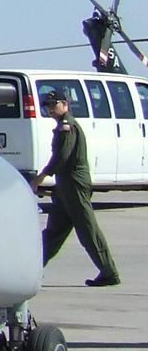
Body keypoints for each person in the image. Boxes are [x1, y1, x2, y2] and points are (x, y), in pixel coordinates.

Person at [38, 89, 122, 286]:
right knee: (53, 232)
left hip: (74, 184)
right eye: (47, 105)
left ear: (65, 104)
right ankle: (29, 269)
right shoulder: (62, 126)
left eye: (54, 104)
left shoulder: (67, 127)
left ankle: (109, 272)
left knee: (87, 230)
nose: (50, 108)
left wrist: (41, 176)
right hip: (65, 186)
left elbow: (62, 156)